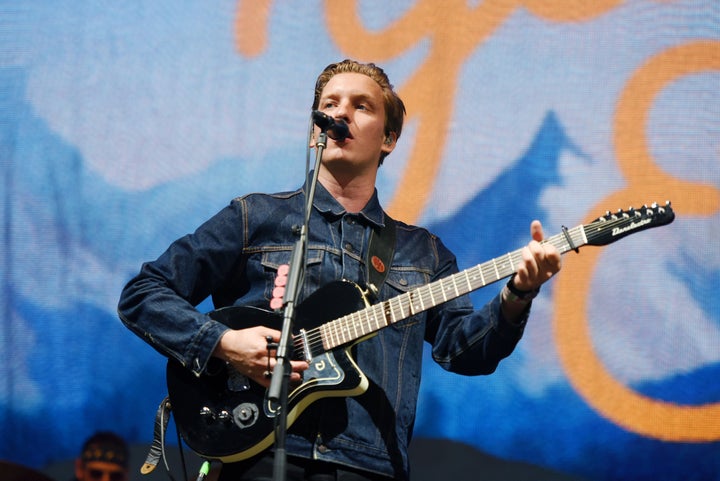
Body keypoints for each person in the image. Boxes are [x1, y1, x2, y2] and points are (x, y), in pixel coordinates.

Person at [118, 59, 562, 480]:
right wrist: (225, 343)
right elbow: (143, 295)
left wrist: (517, 294)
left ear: (388, 139)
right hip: (258, 451)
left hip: (368, 463)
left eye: (360, 105)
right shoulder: (254, 217)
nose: (339, 113)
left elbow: (465, 352)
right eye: (329, 105)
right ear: (316, 130)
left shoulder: (423, 253)